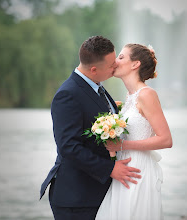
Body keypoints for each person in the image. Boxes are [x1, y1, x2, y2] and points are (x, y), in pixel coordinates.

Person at [39, 36, 141, 220]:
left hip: (96, 192)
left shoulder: (96, 86)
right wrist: (109, 169)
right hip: (76, 198)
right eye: (111, 64)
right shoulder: (68, 95)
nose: (116, 66)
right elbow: (69, 147)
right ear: (94, 69)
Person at [95, 43, 173, 220]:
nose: (115, 61)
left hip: (138, 169)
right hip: (123, 168)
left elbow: (166, 139)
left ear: (135, 64)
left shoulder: (146, 94)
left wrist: (122, 145)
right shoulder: (129, 97)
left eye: (121, 57)